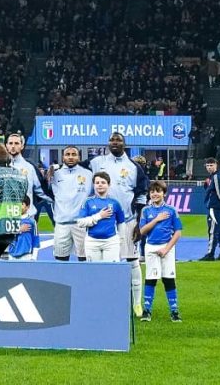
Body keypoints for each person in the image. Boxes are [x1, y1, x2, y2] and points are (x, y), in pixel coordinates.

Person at [82, 133, 148, 311]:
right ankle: (102, 302)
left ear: (124, 143)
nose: (115, 143)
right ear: (108, 143)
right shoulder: (97, 162)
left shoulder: (133, 167)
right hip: (101, 222)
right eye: (112, 140)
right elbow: (77, 170)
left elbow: (142, 194)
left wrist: (139, 223)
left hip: (127, 221)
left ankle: (136, 303)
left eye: (118, 140)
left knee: (133, 262)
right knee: (102, 266)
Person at [138, 181, 183, 323]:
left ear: (164, 193)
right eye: (152, 192)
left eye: (158, 191)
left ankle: (174, 311)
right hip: (150, 247)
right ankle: (147, 311)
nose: (155, 194)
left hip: (167, 247)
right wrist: (156, 219)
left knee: (168, 279)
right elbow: (142, 231)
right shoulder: (145, 210)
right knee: (150, 279)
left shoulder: (171, 210)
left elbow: (178, 232)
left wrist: (166, 249)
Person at [47, 145, 93, 261]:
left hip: (82, 224)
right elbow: (47, 191)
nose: (71, 157)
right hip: (62, 224)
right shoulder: (54, 174)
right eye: (67, 154)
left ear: (79, 157)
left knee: (85, 260)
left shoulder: (88, 174)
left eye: (74, 154)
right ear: (63, 157)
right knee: (60, 260)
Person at [77, 172, 126, 262]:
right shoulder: (87, 202)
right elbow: (80, 222)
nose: (100, 185)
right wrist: (99, 216)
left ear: (109, 184)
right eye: (97, 183)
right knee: (94, 272)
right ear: (94, 185)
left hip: (111, 242)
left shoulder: (115, 202)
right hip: (92, 242)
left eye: (103, 183)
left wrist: (120, 240)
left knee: (111, 271)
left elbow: (121, 223)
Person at [6, 132, 51, 222]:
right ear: (6, 146)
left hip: (27, 218)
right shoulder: (1, 167)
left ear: (22, 146)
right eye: (10, 143)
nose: (13, 146)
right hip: (7, 219)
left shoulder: (30, 167)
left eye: (16, 143)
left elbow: (42, 191)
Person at [200, 157, 220, 261]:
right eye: (207, 165)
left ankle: (210, 254)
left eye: (211, 165)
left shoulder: (216, 177)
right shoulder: (212, 177)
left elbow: (219, 192)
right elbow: (212, 190)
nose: (209, 167)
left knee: (213, 230)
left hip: (215, 206)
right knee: (219, 230)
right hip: (216, 206)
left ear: (216, 165)